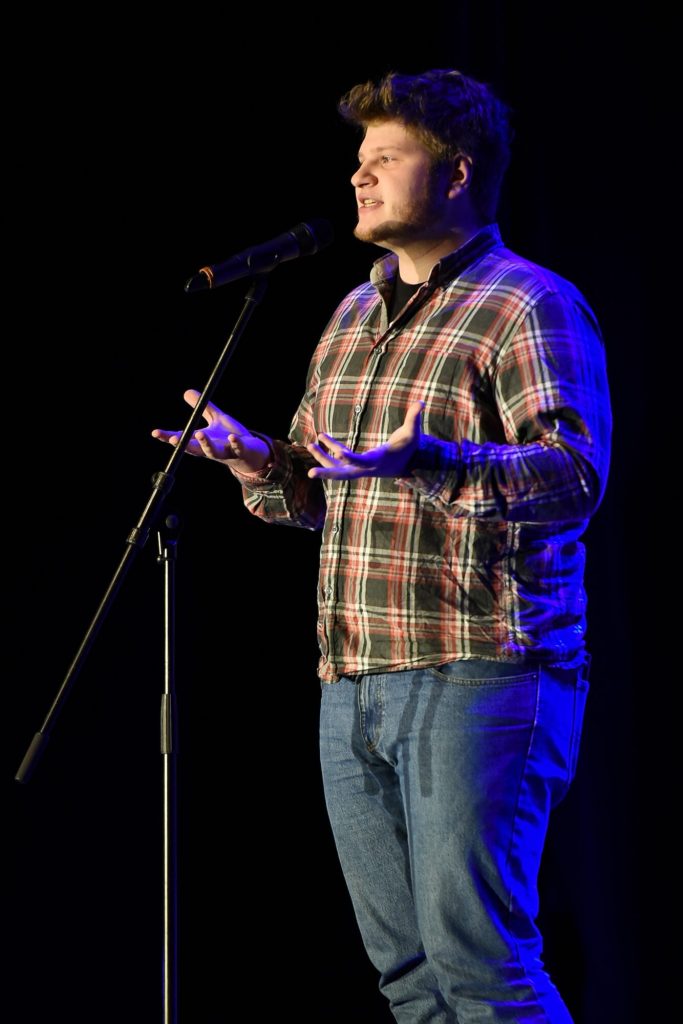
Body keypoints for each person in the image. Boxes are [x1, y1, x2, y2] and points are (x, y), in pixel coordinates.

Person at [153, 69, 611, 1023]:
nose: (358, 179)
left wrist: (436, 460)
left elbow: (574, 479)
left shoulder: (530, 305)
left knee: (480, 965)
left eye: (383, 160)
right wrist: (254, 466)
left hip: (482, 669)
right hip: (350, 677)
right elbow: (323, 496)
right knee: (406, 977)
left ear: (454, 174)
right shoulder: (353, 315)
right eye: (357, 162)